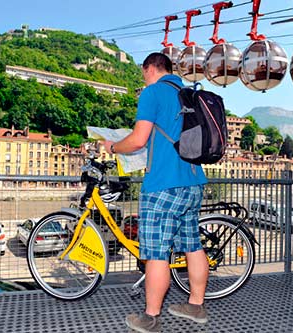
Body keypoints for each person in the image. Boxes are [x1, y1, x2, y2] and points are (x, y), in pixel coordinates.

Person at [101, 52, 209, 333]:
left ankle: (151, 317)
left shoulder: (152, 93)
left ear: (149, 68)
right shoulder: (187, 92)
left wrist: (112, 147)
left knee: (157, 253)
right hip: (194, 183)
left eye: (143, 72)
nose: (142, 77)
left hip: (163, 185)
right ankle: (196, 306)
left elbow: (137, 141)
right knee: (192, 245)